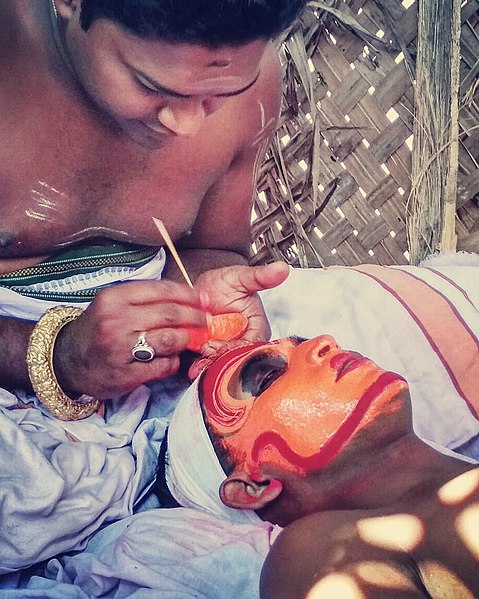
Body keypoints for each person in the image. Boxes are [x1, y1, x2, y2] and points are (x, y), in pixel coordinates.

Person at [0, 0, 307, 419]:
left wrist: (206, 307)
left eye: (220, 95)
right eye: (150, 86)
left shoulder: (253, 83)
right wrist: (58, 356)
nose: (189, 126)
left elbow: (213, 248)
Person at [158, 335, 479, 598]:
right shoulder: (317, 551)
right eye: (268, 375)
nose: (323, 342)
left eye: (302, 342)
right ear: (254, 486)